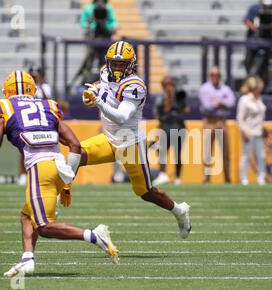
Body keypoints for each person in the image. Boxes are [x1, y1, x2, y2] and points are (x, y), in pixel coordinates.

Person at [0, 70, 119, 277]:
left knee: (45, 226)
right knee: (26, 216)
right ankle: (27, 259)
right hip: (59, 166)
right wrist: (66, 183)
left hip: (40, 169)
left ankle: (94, 235)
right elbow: (74, 144)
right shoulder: (49, 105)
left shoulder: (3, 106)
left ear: (7, 91)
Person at [81, 41, 192, 239]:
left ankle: (178, 210)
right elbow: (103, 87)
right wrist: (92, 95)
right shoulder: (104, 73)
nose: (116, 67)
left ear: (131, 64)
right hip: (108, 138)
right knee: (77, 153)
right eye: (113, 63)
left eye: (121, 64)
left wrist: (97, 101)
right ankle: (56, 199)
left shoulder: (135, 86)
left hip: (129, 143)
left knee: (145, 192)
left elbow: (122, 117)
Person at [198, 66, 236, 183]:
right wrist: (222, 103)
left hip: (221, 121)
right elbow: (207, 106)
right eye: (213, 75)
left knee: (226, 152)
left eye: (218, 75)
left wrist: (218, 102)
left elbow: (232, 102)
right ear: (210, 76)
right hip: (209, 122)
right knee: (207, 152)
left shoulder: (225, 88)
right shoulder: (204, 88)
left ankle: (227, 177)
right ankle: (206, 177)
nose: (215, 77)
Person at [71, 0, 118, 87]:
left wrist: (107, 26)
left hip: (105, 39)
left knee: (104, 62)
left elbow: (113, 23)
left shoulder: (108, 7)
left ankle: (106, 83)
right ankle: (85, 83)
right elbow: (83, 22)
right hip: (92, 39)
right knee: (88, 62)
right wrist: (92, 24)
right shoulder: (88, 8)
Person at [152, 76, 188, 186]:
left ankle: (167, 175)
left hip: (171, 127)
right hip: (175, 127)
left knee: (167, 153)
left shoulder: (174, 97)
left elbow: (157, 114)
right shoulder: (163, 99)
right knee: (172, 153)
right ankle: (174, 177)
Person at [243, 0, 272, 89]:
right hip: (254, 44)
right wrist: (257, 29)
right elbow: (247, 21)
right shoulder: (254, 8)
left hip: (267, 45)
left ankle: (268, 86)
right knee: (251, 67)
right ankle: (251, 85)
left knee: (266, 67)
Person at [236, 76, 267, 185]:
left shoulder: (259, 99)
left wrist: (263, 127)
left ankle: (261, 177)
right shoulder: (244, 99)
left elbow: (261, 116)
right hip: (249, 132)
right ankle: (244, 178)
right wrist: (244, 131)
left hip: (259, 132)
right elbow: (240, 117)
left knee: (261, 155)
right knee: (246, 156)